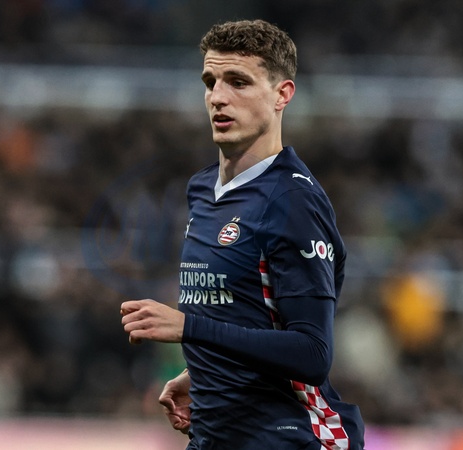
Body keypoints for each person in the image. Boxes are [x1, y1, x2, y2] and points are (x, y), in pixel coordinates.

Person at [121, 19, 365, 450]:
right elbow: (247, 313)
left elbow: (312, 353)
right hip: (215, 435)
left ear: (281, 95)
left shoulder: (292, 201)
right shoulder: (202, 189)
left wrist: (189, 328)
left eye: (238, 82)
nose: (218, 97)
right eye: (210, 82)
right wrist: (203, 372)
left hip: (287, 438)